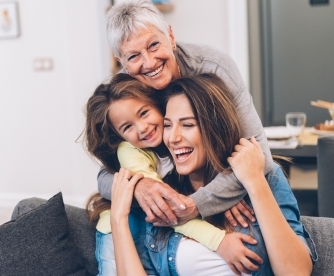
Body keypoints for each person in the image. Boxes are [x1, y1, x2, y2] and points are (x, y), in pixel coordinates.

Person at [108, 73, 314, 276]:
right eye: (168, 125)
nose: (173, 138)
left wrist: (254, 181)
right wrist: (118, 219)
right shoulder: (164, 195)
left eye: (188, 125)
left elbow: (296, 272)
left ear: (216, 129)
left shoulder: (265, 177)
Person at [98, 0, 271, 228]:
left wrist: (200, 201)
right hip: (174, 195)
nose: (149, 63)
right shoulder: (124, 93)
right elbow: (104, 177)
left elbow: (260, 157)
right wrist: (139, 186)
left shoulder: (214, 68)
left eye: (153, 45)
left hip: (224, 189)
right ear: (122, 63)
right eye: (133, 57)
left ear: (170, 36)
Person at [85, 73, 262, 275]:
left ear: (157, 105)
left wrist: (227, 194)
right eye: (127, 127)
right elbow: (166, 208)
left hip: (154, 225)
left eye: (144, 113)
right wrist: (219, 241)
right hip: (118, 224)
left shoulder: (176, 141)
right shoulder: (130, 151)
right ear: (119, 136)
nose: (142, 128)